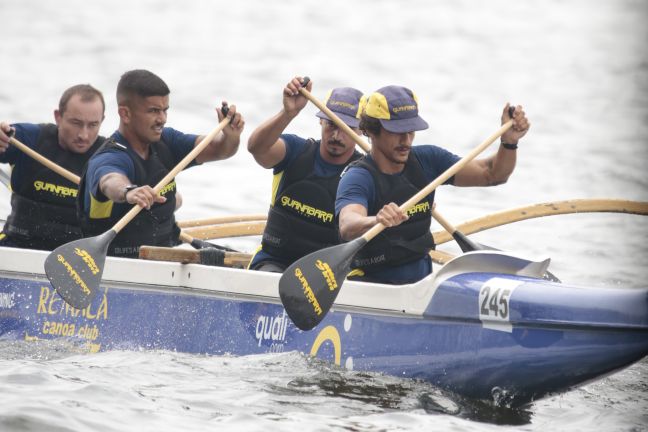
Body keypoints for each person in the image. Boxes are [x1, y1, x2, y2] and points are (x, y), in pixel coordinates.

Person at [336, 85, 530, 284]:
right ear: (372, 130)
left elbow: (492, 175)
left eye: (411, 130)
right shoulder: (358, 176)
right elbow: (348, 224)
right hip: (372, 284)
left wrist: (509, 142)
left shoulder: (428, 160)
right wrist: (376, 220)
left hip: (422, 282)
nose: (406, 140)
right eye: (397, 131)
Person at [78, 69, 244, 258]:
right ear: (125, 114)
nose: (162, 119)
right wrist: (129, 192)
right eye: (154, 111)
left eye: (165, 111)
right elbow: (109, 180)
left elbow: (220, 150)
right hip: (114, 263)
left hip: (164, 260)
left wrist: (230, 136)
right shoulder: (110, 156)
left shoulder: (167, 141)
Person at [247, 77, 364, 272]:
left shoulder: (365, 172)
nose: (336, 136)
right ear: (320, 120)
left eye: (346, 128)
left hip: (329, 276)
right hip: (273, 262)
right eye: (331, 125)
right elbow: (256, 148)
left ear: (361, 130)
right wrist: (288, 113)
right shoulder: (295, 151)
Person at [0, 84, 106, 250]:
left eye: (92, 125)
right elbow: (6, 135)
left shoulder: (111, 156)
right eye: (76, 123)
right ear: (58, 116)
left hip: (79, 259)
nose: (83, 135)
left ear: (102, 121)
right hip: (18, 247)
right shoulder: (29, 138)